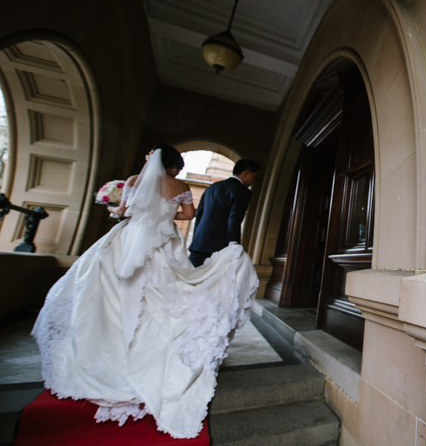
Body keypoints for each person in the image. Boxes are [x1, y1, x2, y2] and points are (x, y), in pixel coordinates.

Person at [31, 145, 258, 439]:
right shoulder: (181, 184)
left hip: (129, 240)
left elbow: (124, 210)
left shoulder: (135, 180)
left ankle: (107, 339)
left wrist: (113, 206)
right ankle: (156, 345)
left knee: (109, 290)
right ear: (174, 166)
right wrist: (164, 212)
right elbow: (188, 214)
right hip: (162, 242)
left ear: (154, 161)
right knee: (165, 292)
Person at [188, 158, 260, 267]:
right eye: (253, 176)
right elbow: (235, 218)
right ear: (245, 173)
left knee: (191, 276)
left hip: (199, 242)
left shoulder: (212, 187)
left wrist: (196, 238)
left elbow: (199, 215)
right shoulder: (243, 192)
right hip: (220, 246)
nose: (253, 180)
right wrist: (234, 243)